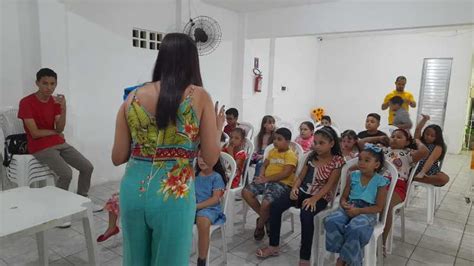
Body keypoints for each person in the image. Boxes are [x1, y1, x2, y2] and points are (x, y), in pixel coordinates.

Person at [111, 33, 223, 266]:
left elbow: (118, 156)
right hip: (174, 193)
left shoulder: (132, 97)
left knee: (134, 260)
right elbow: (211, 159)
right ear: (192, 61)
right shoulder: (199, 96)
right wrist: (216, 130)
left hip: (133, 191)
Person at [255, 127, 344, 266]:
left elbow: (329, 186)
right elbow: (301, 176)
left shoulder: (337, 161)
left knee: (306, 214)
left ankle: (305, 258)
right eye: (315, 142)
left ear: (331, 144)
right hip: (302, 190)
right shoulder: (311, 156)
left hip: (320, 195)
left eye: (322, 143)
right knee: (276, 206)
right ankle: (273, 246)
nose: (317, 146)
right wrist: (295, 188)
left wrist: (314, 199)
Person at [18, 68, 94, 199]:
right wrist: (55, 132)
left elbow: (60, 128)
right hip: (39, 146)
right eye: (45, 83)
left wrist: (63, 108)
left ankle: (83, 200)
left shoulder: (55, 102)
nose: (49, 87)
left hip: (58, 142)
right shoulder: (26, 102)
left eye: (52, 84)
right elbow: (35, 133)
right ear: (37, 83)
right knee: (66, 174)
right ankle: (58, 205)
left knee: (87, 167)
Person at [358, 129, 429, 251]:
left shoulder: (408, 154)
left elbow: (424, 151)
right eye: (393, 136)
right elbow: (360, 144)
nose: (394, 138)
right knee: (360, 199)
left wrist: (417, 141)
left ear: (407, 142)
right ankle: (361, 236)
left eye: (399, 137)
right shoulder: (382, 151)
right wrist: (379, 138)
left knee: (386, 205)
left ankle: (381, 244)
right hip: (378, 184)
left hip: (397, 185)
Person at [325, 144, 389, 266]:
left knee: (356, 228)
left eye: (367, 160)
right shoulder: (353, 175)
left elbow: (379, 207)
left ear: (376, 165)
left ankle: (343, 260)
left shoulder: (381, 181)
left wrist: (359, 211)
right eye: (360, 159)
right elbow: (344, 197)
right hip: (350, 206)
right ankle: (343, 254)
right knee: (332, 221)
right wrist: (344, 204)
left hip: (367, 210)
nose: (361, 163)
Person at [242, 128, 297, 241]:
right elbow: (264, 165)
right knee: (246, 192)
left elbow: (285, 173)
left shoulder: (290, 155)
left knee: (266, 203)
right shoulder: (272, 152)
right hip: (266, 181)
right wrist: (262, 176)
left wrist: (266, 179)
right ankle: (266, 219)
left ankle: (260, 226)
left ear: (287, 141)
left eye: (279, 139)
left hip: (281, 184)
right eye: (275, 139)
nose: (275, 141)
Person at [194, 153, 227, 266]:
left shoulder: (216, 177)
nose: (202, 160)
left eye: (206, 156)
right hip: (194, 208)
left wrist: (197, 206)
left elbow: (215, 199)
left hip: (210, 209)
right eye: (199, 157)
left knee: (202, 221)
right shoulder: (195, 175)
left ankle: (201, 260)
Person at [413, 114, 449, 186]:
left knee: (444, 178)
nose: (428, 137)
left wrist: (422, 172)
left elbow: (431, 159)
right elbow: (417, 130)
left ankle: (413, 178)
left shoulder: (438, 147)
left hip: (429, 169)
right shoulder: (420, 141)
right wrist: (424, 119)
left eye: (432, 136)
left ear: (437, 137)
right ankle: (413, 177)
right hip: (414, 168)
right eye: (427, 134)